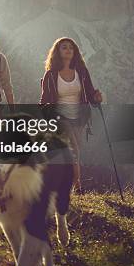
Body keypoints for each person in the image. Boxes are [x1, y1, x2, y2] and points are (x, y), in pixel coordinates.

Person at [40, 37, 103, 192]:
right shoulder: (51, 75)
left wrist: (96, 98)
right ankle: (78, 187)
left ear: (74, 52)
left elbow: (89, 93)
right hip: (60, 117)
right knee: (74, 150)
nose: (68, 50)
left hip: (79, 118)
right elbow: (44, 100)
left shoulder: (81, 72)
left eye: (70, 48)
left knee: (74, 151)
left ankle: (61, 182)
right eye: (64, 47)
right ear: (58, 52)